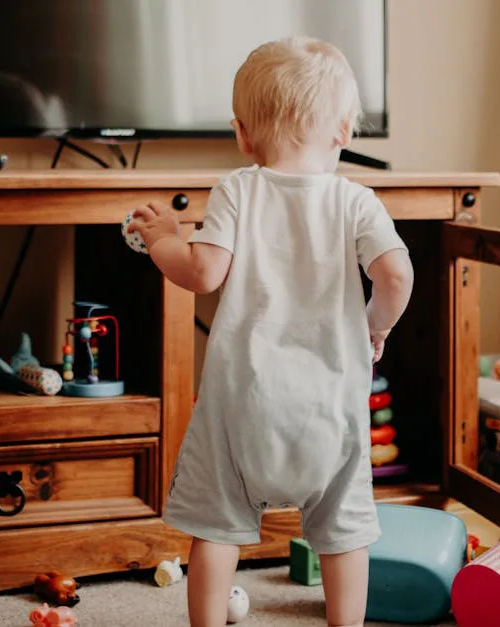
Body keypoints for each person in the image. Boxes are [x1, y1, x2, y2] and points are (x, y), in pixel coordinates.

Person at [127, 35, 414, 627]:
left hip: (243, 409)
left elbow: (202, 272)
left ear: (242, 134)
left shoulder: (238, 187)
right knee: (342, 532)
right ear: (343, 131)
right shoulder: (358, 201)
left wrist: (163, 240)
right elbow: (395, 274)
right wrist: (373, 326)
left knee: (217, 526)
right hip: (332, 410)